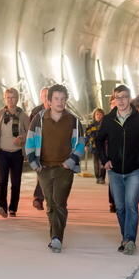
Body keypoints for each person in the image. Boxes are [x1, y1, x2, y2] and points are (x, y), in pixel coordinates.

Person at [96, 85, 139, 255]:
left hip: (134, 170)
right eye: (118, 97)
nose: (121, 101)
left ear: (129, 98)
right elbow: (99, 140)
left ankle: (130, 239)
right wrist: (104, 159)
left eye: (124, 97)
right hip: (115, 171)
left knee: (132, 205)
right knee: (120, 207)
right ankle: (125, 237)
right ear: (114, 100)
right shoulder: (109, 120)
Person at [25, 84, 85, 253]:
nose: (60, 102)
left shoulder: (73, 121)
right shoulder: (39, 119)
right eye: (56, 99)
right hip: (43, 168)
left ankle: (56, 237)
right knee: (50, 204)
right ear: (49, 101)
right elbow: (29, 141)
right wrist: (34, 163)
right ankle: (55, 234)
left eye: (63, 99)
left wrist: (71, 161)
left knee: (59, 202)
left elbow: (81, 143)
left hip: (64, 168)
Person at [0, 88, 30, 218]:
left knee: (16, 182)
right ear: (4, 99)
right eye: (8, 98)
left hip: (17, 153)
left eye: (13, 97)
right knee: (2, 181)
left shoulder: (23, 116)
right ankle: (2, 206)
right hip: (2, 152)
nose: (10, 100)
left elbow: (30, 133)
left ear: (17, 99)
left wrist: (22, 137)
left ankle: (13, 208)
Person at [29, 86, 50, 210]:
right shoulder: (35, 112)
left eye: (49, 96)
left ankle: (52, 199)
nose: (47, 99)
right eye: (44, 96)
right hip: (39, 148)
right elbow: (30, 131)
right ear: (41, 98)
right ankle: (38, 198)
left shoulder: (60, 110)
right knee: (42, 173)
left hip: (55, 149)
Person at [85, 108, 106, 184]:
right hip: (94, 147)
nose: (99, 116)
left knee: (103, 163)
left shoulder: (106, 125)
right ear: (94, 116)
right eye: (97, 114)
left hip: (104, 147)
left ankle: (102, 178)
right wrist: (86, 145)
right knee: (96, 163)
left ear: (103, 115)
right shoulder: (90, 126)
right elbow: (87, 136)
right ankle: (97, 177)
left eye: (100, 114)